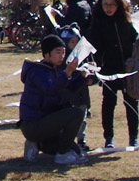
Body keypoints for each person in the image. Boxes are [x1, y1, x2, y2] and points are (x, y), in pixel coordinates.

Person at [17, 34, 90, 165]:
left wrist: (83, 77)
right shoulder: (37, 71)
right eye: (58, 52)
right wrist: (67, 72)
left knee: (76, 150)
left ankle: (37, 145)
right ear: (46, 54)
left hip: (47, 123)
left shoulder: (54, 70)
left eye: (63, 52)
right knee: (76, 113)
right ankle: (61, 154)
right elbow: (51, 89)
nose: (62, 56)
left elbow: (69, 88)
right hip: (33, 124)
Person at [86, 0, 139, 150]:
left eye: (112, 4)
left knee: (131, 102)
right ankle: (108, 137)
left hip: (127, 66)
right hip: (108, 67)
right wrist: (95, 67)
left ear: (118, 4)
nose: (109, 8)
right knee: (108, 103)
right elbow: (95, 46)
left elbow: (137, 40)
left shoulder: (127, 21)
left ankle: (134, 137)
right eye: (105, 4)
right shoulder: (98, 22)